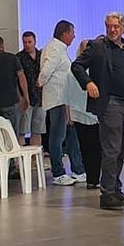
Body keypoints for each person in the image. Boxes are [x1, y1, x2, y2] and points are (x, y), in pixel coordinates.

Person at [71, 12, 124, 210]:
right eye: (109, 26)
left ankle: (115, 188)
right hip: (110, 104)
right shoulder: (98, 46)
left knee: (121, 150)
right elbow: (76, 66)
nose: (112, 30)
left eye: (116, 27)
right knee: (111, 149)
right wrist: (88, 83)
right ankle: (107, 194)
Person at [39, 20, 85, 186]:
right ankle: (58, 173)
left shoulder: (59, 48)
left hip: (65, 99)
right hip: (57, 99)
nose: (74, 36)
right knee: (57, 136)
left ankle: (78, 170)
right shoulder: (55, 48)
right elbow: (46, 70)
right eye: (72, 32)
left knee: (72, 134)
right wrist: (40, 82)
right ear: (65, 33)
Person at [71, 40, 101, 189]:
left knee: (90, 148)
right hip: (84, 114)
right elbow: (68, 95)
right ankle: (93, 178)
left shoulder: (90, 69)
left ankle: (93, 178)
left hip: (87, 114)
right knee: (90, 148)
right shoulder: (77, 70)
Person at [16, 31, 45, 146]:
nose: (27, 44)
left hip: (41, 98)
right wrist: (21, 97)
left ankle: (35, 159)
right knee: (22, 130)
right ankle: (21, 159)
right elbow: (16, 80)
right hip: (26, 97)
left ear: (34, 42)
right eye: (24, 42)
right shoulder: (19, 57)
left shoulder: (41, 56)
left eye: (29, 42)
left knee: (38, 130)